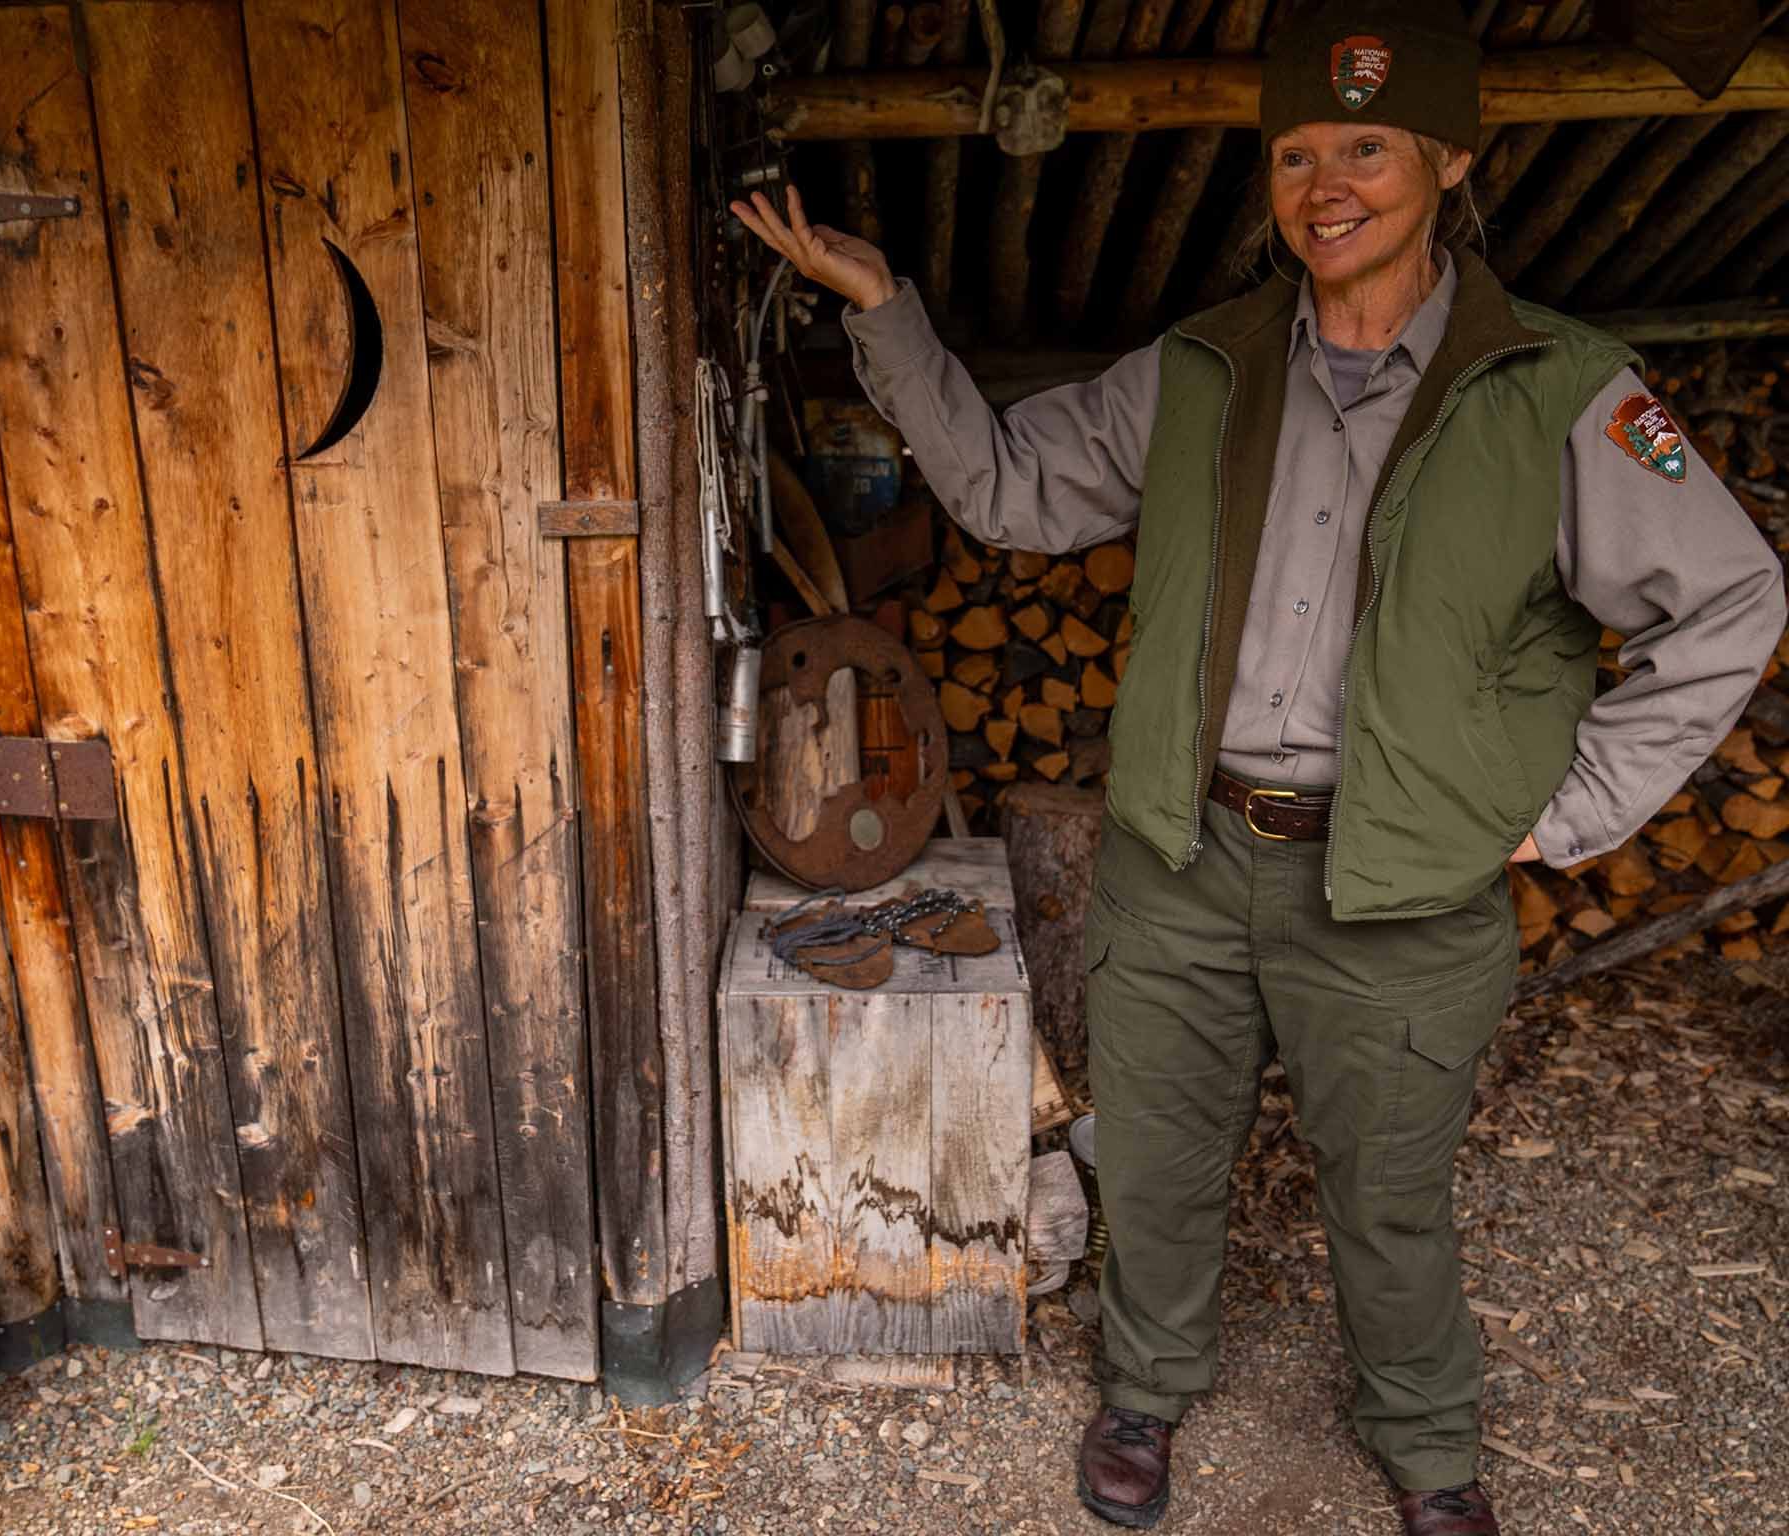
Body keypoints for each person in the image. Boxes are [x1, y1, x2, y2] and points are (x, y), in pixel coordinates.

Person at [730, 2, 1786, 1532]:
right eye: (1299, 150)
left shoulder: (1558, 385)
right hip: (1187, 854)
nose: (1327, 182)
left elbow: (1736, 596)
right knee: (1155, 1155)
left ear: (1450, 161)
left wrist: (1573, 811)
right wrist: (883, 308)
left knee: (1389, 1191)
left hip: (1408, 884)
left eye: (1368, 145)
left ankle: (1427, 1446)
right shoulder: (1205, 370)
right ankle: (1146, 1391)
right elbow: (1014, 494)